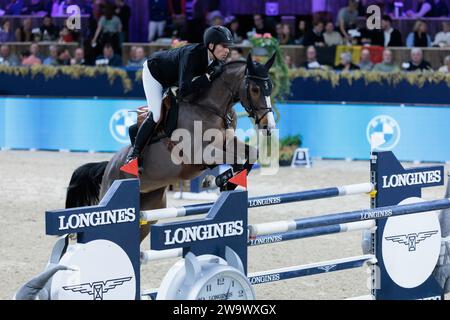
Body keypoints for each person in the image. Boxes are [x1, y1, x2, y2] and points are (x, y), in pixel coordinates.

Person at [124, 26, 233, 165]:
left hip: (174, 79)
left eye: (228, 47)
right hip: (155, 73)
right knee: (156, 114)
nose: (227, 50)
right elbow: (184, 90)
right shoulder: (191, 55)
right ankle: (133, 156)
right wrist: (207, 77)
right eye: (224, 46)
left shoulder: (216, 61)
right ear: (211, 45)